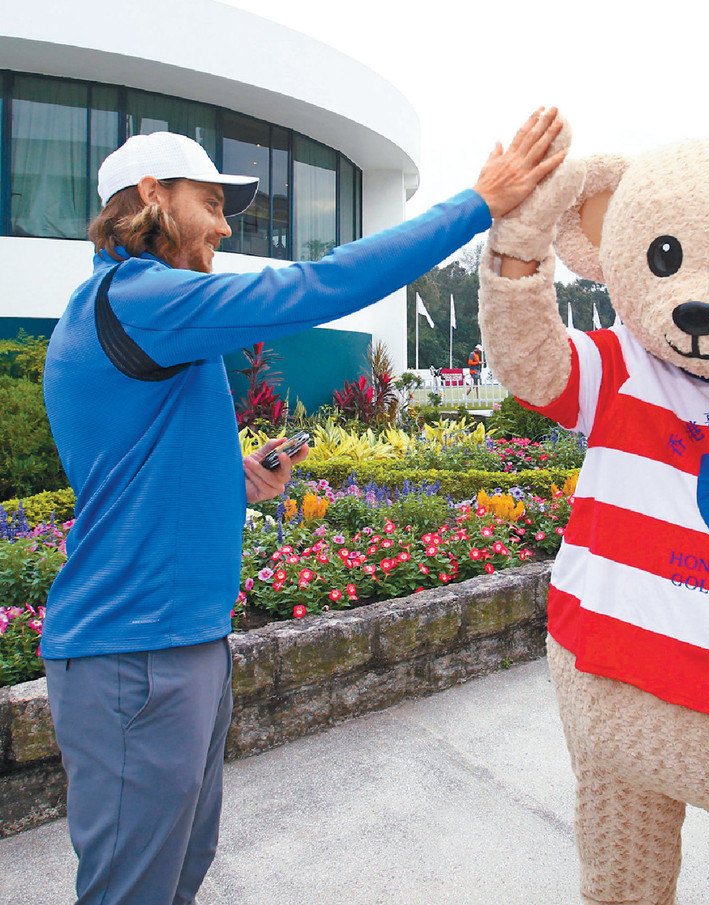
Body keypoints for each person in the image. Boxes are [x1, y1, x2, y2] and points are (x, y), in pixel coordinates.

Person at [41, 109, 566, 905]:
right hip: (136, 655)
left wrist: (239, 476)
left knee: (177, 870)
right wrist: (477, 204)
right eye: (210, 203)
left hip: (174, 645)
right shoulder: (138, 295)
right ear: (150, 195)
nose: (221, 226)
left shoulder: (138, 312)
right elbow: (322, 284)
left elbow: (131, 473)